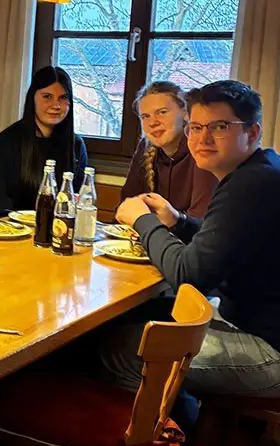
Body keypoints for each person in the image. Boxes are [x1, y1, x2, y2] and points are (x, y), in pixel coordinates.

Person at [110, 80, 280, 398]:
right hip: (242, 317)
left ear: (252, 132)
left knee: (118, 349)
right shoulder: (260, 170)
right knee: (128, 317)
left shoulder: (249, 186)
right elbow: (224, 243)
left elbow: (188, 275)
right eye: (196, 127)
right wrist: (179, 221)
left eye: (219, 127)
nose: (203, 139)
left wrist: (143, 221)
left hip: (267, 348)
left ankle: (171, 425)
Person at [0, 66, 88, 218]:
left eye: (63, 98)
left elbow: (76, 201)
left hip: (59, 228)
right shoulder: (6, 143)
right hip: (9, 227)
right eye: (47, 97)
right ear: (32, 98)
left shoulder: (76, 146)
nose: (56, 105)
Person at [120, 81, 218, 219]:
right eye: (145, 116)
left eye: (162, 112)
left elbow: (200, 219)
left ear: (185, 113)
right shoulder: (146, 146)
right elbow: (126, 206)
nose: (153, 123)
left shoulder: (202, 148)